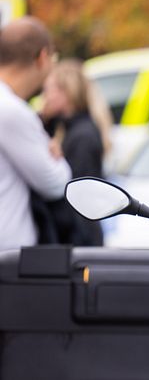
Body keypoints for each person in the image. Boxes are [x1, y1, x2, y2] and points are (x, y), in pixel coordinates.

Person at [0, 16, 71, 250]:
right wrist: (57, 158)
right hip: (8, 258)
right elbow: (55, 184)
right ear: (42, 57)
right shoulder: (11, 111)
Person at [39, 59, 112, 246]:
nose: (44, 97)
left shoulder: (82, 136)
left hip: (81, 241)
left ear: (66, 92)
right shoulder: (69, 128)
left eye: (49, 90)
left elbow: (78, 196)